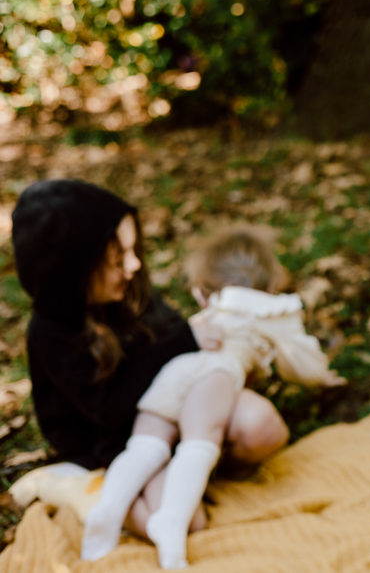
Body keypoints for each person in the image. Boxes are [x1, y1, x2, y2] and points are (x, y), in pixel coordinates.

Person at [10, 180, 288, 550]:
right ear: (72, 274)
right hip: (112, 440)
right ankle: (82, 487)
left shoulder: (129, 287)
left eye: (132, 250)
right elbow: (108, 409)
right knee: (188, 523)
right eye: (115, 260)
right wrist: (184, 341)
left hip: (166, 410)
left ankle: (190, 469)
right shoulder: (51, 332)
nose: (133, 264)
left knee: (261, 426)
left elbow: (176, 347)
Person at [80, 223, 346, 568]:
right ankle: (171, 520)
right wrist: (321, 376)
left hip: (177, 369)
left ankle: (109, 508)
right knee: (199, 441)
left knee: (146, 443)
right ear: (270, 282)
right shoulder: (274, 310)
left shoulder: (212, 307)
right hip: (214, 379)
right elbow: (303, 365)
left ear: (201, 292)